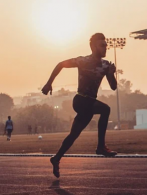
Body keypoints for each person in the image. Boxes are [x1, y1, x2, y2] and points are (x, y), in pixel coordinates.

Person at [41, 33, 118, 178]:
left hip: (89, 105)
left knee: (73, 135)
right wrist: (49, 83)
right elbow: (60, 64)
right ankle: (101, 147)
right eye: (102, 45)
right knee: (106, 109)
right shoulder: (83, 61)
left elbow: (113, 87)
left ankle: (56, 158)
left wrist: (111, 74)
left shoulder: (106, 65)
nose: (105, 47)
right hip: (81, 100)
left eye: (106, 45)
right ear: (93, 46)